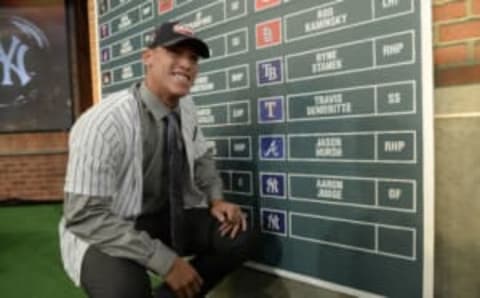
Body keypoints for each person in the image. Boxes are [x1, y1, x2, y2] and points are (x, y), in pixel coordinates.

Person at [59, 21, 256, 298]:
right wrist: (165, 260)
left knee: (238, 234)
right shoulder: (104, 123)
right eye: (176, 53)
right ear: (148, 58)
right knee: (125, 290)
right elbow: (84, 215)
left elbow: (202, 157)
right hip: (109, 226)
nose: (186, 64)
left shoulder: (186, 106)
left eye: (193, 58)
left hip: (165, 217)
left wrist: (216, 198)